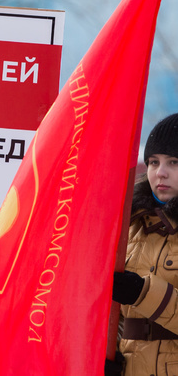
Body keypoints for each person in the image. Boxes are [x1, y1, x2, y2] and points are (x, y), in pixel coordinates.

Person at [108, 113, 178, 376]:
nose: (160, 172)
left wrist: (142, 292)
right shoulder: (129, 224)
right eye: (153, 162)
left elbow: (135, 294)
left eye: (173, 162)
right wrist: (106, 357)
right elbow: (113, 314)